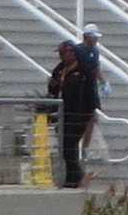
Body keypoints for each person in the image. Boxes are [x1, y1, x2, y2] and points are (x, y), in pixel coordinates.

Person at [44, 32, 104, 186]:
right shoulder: (59, 70)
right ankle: (73, 177)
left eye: (64, 53)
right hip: (64, 113)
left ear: (72, 53)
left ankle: (76, 177)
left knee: (70, 143)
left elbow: (91, 86)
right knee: (66, 146)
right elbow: (53, 89)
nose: (62, 56)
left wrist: (94, 110)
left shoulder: (83, 69)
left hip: (80, 112)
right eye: (61, 54)